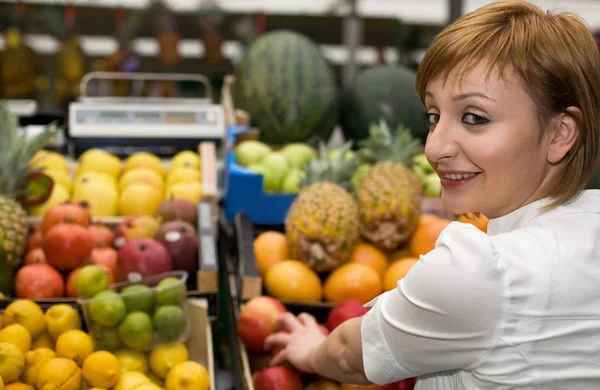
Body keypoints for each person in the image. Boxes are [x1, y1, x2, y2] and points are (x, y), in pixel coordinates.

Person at [264, 1, 600, 388]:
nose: (434, 148)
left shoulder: (478, 273)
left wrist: (309, 350)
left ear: (560, 134)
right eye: (433, 116)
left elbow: (348, 355)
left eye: (475, 117)